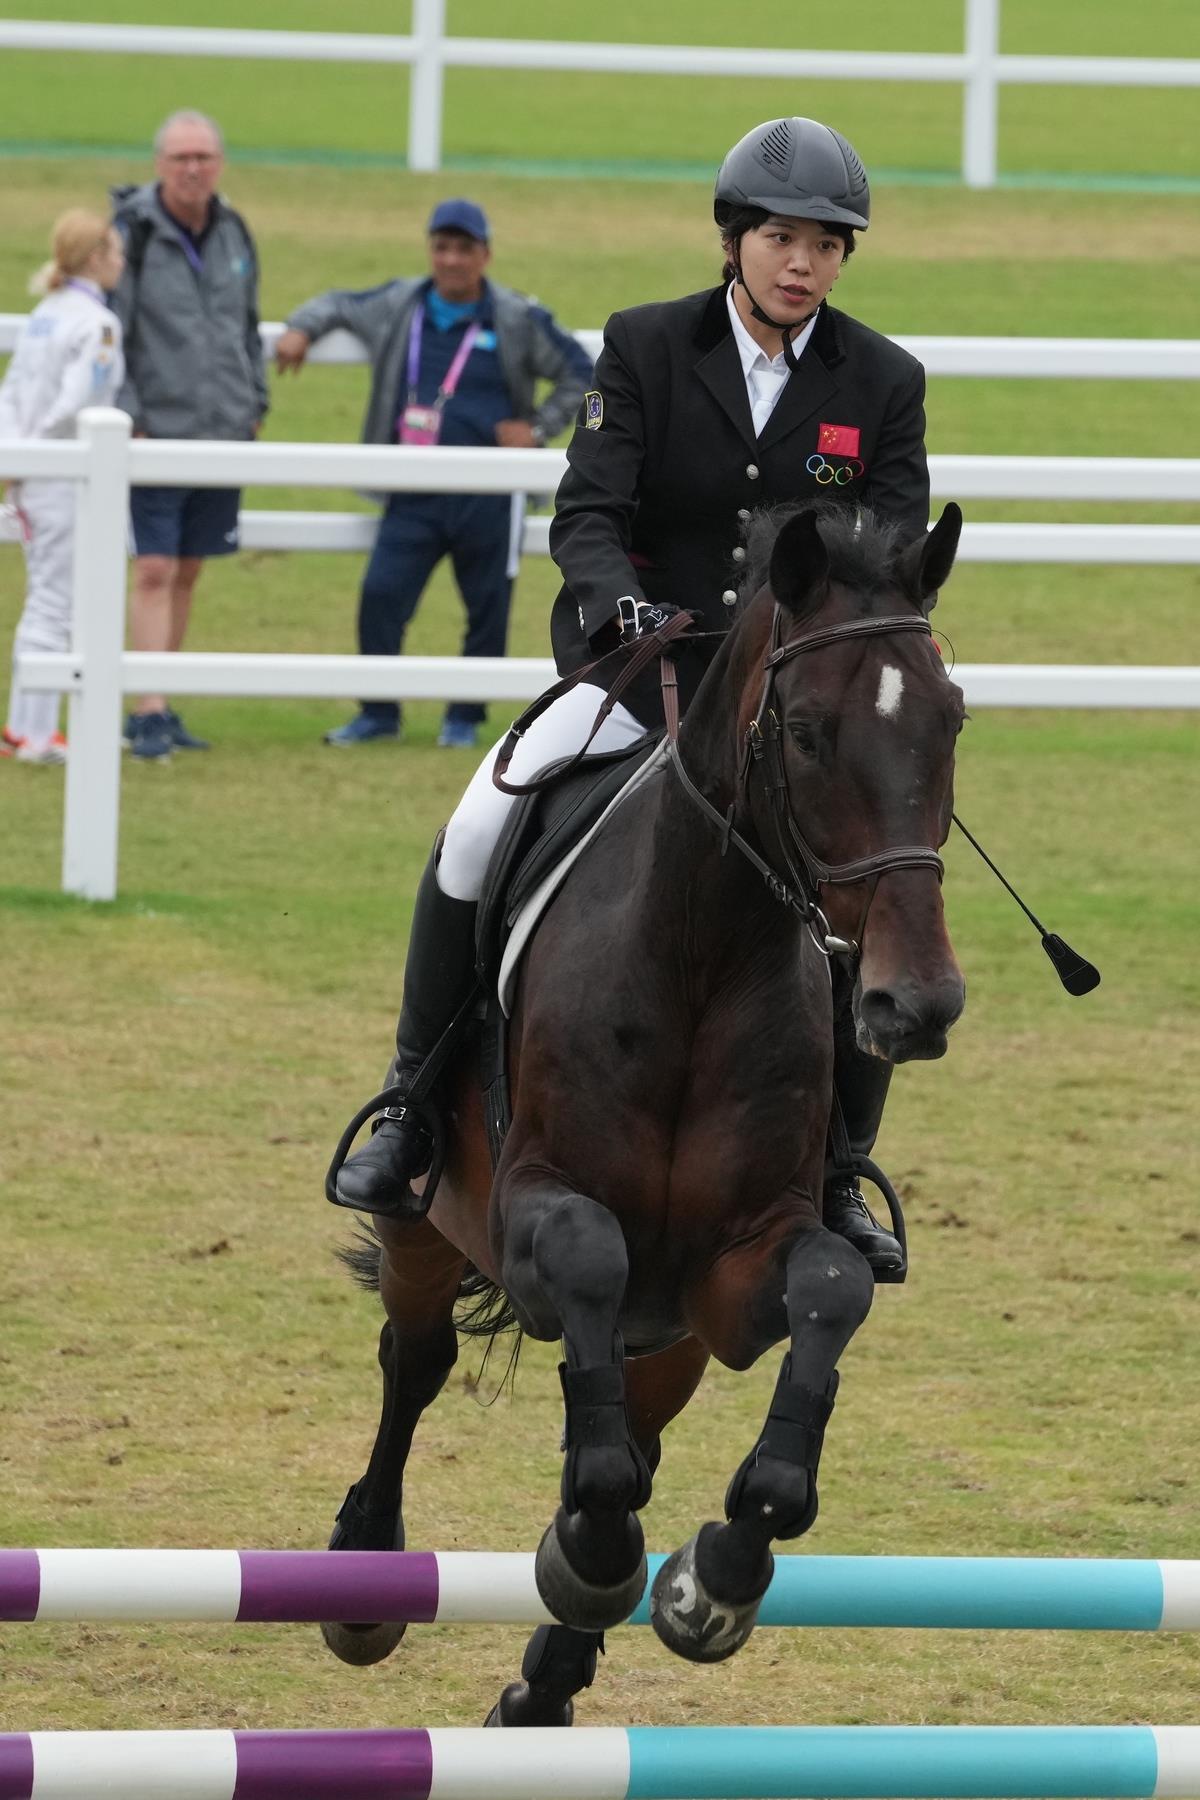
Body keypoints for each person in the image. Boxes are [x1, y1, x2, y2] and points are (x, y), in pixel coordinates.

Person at [335, 119, 930, 1280]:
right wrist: (615, 604)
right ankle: (410, 1103)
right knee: (477, 828)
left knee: (867, 900)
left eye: (824, 244)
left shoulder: (884, 382)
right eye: (778, 237)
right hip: (638, 674)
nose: (800, 263)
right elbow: (589, 510)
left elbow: (889, 551)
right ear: (732, 240)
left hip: (792, 713)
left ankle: (841, 1168)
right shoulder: (647, 348)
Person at [276, 198, 593, 750]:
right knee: (381, 596)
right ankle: (377, 713)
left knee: (487, 607)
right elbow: (336, 304)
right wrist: (300, 329)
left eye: (463, 249)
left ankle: (464, 718)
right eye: (441, 247)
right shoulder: (401, 304)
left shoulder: (515, 316)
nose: (451, 260)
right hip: (412, 490)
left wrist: (538, 430)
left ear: (485, 255)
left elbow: (583, 371)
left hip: (488, 493)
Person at [109, 109, 267, 762]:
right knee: (153, 566)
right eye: (181, 158)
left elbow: (246, 320)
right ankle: (145, 708)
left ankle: (162, 699)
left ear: (220, 163)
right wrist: (129, 414)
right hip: (156, 428)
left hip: (222, 429)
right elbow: (112, 329)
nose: (193, 168)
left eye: (204, 156)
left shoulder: (233, 230)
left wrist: (255, 399)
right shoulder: (132, 234)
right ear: (159, 164)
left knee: (189, 570)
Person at [0, 211, 125, 765]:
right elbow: (78, 402)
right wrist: (45, 447)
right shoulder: (98, 324)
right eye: (116, 252)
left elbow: (11, 395)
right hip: (66, 472)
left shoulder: (44, 316)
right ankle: (38, 735)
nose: (121, 262)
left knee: (46, 597)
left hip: (31, 469)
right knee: (59, 601)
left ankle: (26, 726)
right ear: (96, 257)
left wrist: (16, 454)